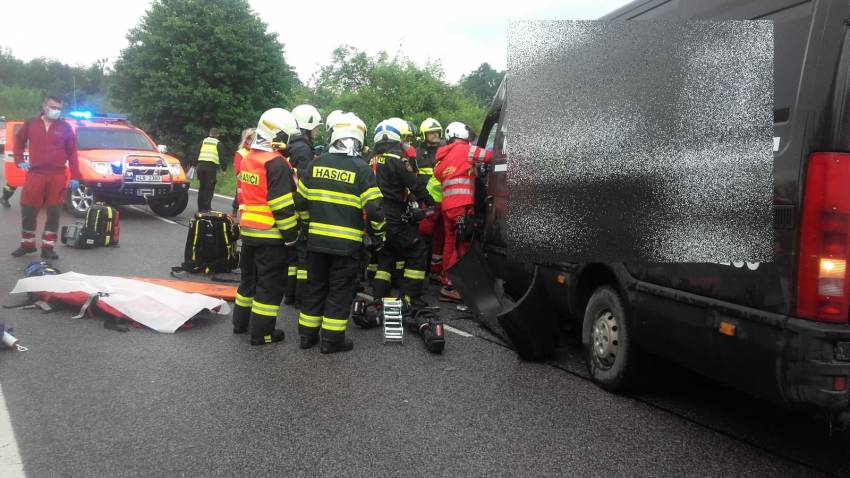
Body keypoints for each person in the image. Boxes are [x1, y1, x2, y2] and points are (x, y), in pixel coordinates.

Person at [295, 112, 384, 353]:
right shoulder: (362, 169)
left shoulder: (315, 164)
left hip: (315, 243)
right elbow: (375, 209)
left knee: (314, 288)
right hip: (346, 247)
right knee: (339, 291)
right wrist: (379, 233)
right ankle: (332, 341)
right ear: (358, 139)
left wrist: (307, 225)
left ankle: (307, 337)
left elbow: (300, 202)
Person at [231, 109, 300, 346]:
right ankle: (262, 333)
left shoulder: (250, 157)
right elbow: (282, 207)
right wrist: (292, 238)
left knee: (248, 280)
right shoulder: (277, 163)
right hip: (271, 234)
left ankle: (240, 324)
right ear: (279, 134)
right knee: (269, 286)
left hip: (249, 230)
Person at [371, 117, 434, 308]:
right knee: (417, 249)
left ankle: (378, 299)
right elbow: (414, 186)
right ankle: (411, 297)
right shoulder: (398, 160)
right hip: (393, 214)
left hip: (376, 213)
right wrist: (431, 202)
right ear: (395, 138)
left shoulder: (372, 159)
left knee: (386, 255)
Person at [428, 121, 492, 302]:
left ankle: (447, 279)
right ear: (463, 135)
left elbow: (439, 174)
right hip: (461, 207)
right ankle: (453, 287)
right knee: (461, 246)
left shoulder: (443, 157)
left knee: (450, 244)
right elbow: (490, 156)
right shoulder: (465, 149)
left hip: (448, 206)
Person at [11, 96, 81, 260]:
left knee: (54, 212)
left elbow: (72, 153)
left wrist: (75, 176)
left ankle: (48, 247)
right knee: (28, 209)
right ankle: (27, 244)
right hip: (36, 174)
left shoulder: (65, 127)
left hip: (57, 175)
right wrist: (19, 160)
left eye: (59, 108)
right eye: (53, 107)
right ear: (44, 106)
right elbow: (19, 143)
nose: (56, 110)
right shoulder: (31, 123)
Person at [286, 104, 323, 307]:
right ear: (307, 126)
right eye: (316, 127)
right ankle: (300, 299)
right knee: (302, 256)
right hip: (298, 206)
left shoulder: (294, 145)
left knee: (293, 257)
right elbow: (304, 180)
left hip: (290, 204)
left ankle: (290, 294)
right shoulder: (302, 149)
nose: (317, 131)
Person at [415, 118, 445, 283]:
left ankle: (435, 269)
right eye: (430, 133)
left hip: (442, 200)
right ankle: (422, 267)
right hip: (424, 200)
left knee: (439, 237)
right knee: (423, 234)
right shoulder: (418, 153)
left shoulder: (444, 149)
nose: (434, 135)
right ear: (424, 135)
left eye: (436, 132)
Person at [195, 127, 226, 213]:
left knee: (202, 187)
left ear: (209, 133)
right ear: (218, 135)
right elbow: (222, 157)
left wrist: (194, 164)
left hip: (201, 168)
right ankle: (206, 208)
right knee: (209, 189)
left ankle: (200, 208)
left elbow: (196, 153)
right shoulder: (218, 143)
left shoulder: (203, 141)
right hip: (210, 168)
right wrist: (224, 169)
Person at [231, 128, 256, 215]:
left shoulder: (259, 152)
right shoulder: (241, 153)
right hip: (244, 187)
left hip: (256, 190)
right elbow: (238, 173)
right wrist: (254, 179)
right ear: (248, 139)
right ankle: (234, 210)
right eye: (254, 139)